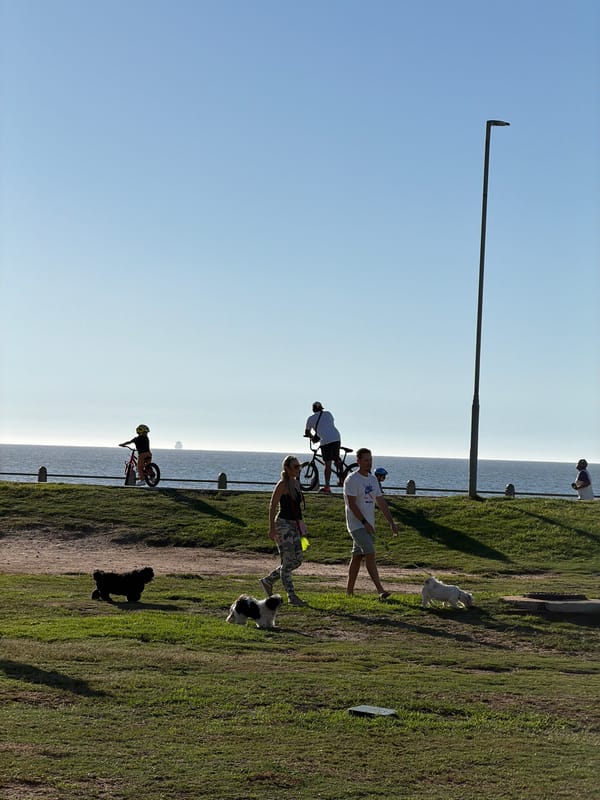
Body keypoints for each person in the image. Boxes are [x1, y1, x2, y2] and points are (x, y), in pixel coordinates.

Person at [343, 448, 398, 599]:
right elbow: (352, 505)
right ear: (358, 461)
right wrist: (363, 522)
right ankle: (380, 590)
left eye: (370, 460)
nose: (369, 463)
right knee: (370, 552)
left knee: (357, 556)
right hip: (356, 524)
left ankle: (349, 591)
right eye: (366, 460)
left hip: (368, 524)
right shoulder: (352, 480)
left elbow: (380, 502)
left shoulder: (373, 480)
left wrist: (391, 522)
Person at [260, 455, 307, 606]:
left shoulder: (296, 483)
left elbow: (298, 508)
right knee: (287, 561)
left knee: (297, 559)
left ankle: (268, 581)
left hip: (295, 525)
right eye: (295, 467)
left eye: (299, 466)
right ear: (286, 468)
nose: (298, 469)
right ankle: (292, 596)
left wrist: (301, 527)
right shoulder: (283, 484)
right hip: (283, 525)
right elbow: (273, 505)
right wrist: (272, 528)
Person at [304, 401, 343, 493]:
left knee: (327, 464)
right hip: (336, 438)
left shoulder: (310, 419)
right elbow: (327, 426)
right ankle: (342, 478)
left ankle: (327, 486)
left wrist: (313, 438)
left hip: (325, 441)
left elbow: (307, 432)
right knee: (336, 459)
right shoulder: (328, 414)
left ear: (313, 409)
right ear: (321, 408)